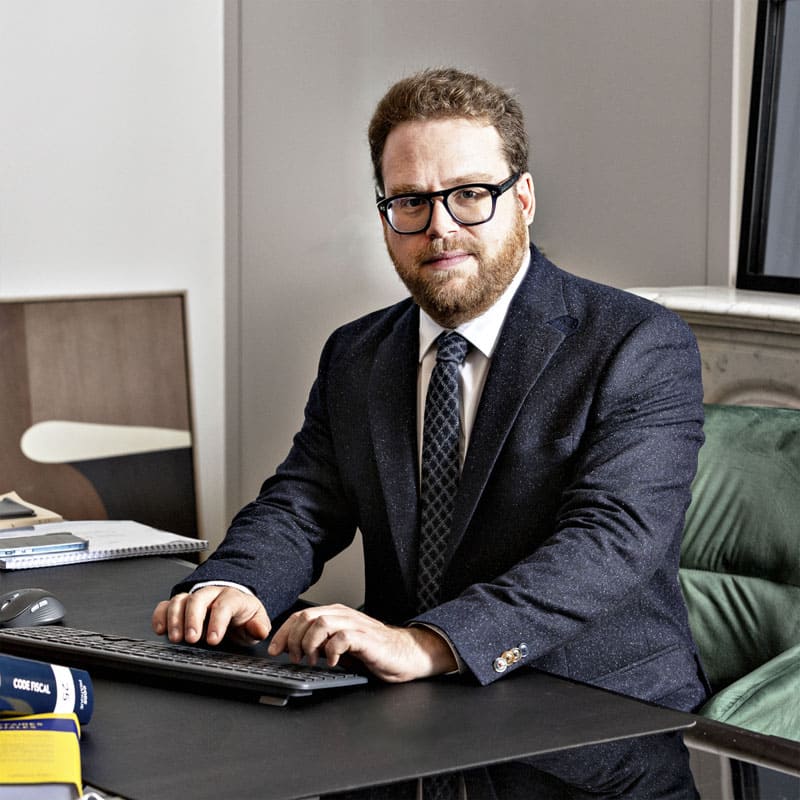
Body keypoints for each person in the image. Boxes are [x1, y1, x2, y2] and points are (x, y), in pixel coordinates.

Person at [153, 68, 709, 797]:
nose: (440, 226)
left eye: (470, 194)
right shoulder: (356, 354)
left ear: (524, 199)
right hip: (410, 721)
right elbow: (302, 503)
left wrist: (429, 642)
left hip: (596, 729)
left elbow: (611, 541)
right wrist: (236, 582)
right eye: (411, 201)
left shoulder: (636, 343)